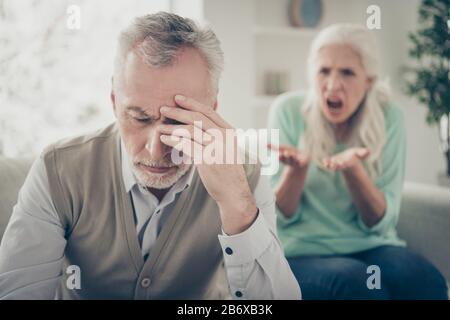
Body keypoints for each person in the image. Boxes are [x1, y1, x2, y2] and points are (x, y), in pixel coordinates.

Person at [0, 12, 301, 300]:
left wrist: (237, 205)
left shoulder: (243, 173)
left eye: (178, 121)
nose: (157, 150)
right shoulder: (59, 169)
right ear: (114, 101)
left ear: (212, 107)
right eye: (140, 119)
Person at [268, 23, 448, 300]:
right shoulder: (287, 111)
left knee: (424, 280)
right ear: (311, 74)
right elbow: (279, 215)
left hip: (371, 244)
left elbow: (379, 222)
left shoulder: (391, 117)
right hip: (301, 249)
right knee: (358, 285)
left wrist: (354, 171)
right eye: (324, 70)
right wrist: (297, 170)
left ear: (369, 81)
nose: (332, 84)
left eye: (347, 72)